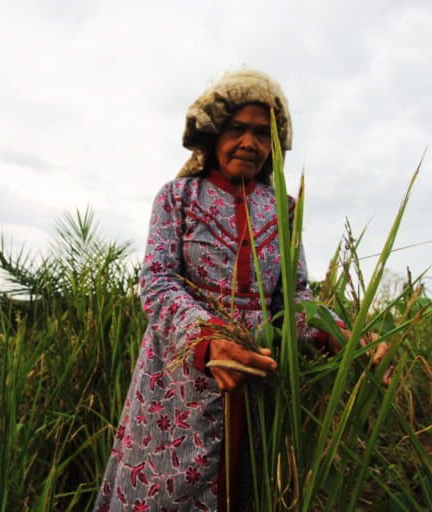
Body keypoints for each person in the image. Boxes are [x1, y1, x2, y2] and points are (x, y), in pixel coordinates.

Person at [94, 69, 388, 512]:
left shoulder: (285, 210)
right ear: (213, 134)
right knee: (167, 488)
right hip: (179, 378)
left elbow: (293, 299)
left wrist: (342, 337)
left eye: (262, 133)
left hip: (257, 380)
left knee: (249, 488)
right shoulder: (178, 197)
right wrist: (208, 340)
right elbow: (157, 280)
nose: (249, 142)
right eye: (237, 129)